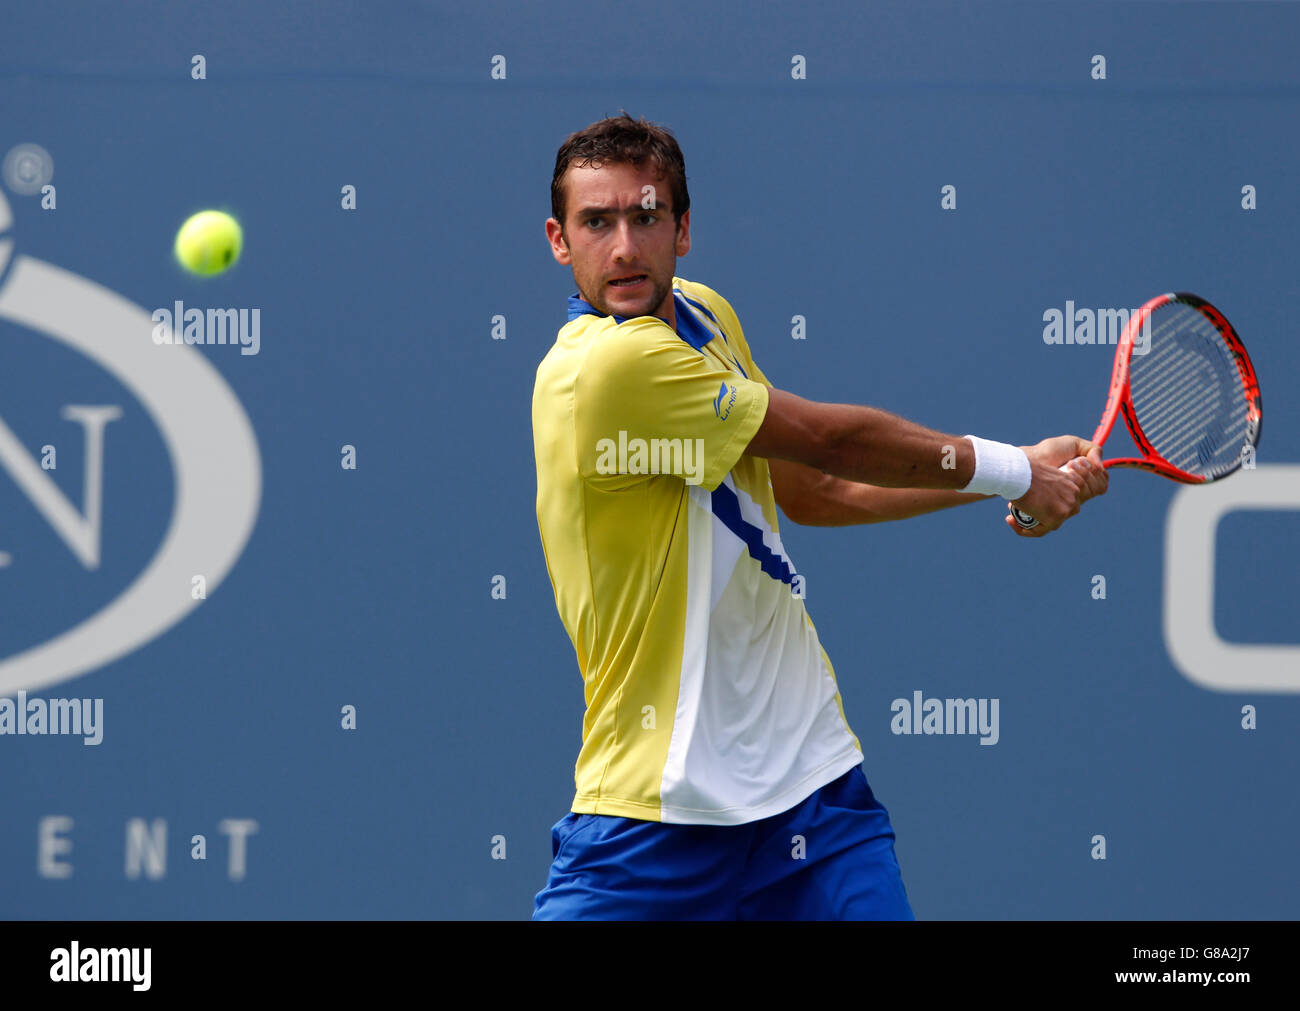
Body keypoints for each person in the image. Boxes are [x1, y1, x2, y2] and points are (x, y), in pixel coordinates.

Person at [530, 112, 1107, 920]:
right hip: (649, 820)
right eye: (597, 222)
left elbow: (811, 490)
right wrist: (1014, 468)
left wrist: (1009, 482)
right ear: (560, 240)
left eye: (646, 215)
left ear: (683, 228)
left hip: (813, 799)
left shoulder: (706, 317)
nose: (624, 246)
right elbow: (827, 440)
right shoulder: (603, 370)